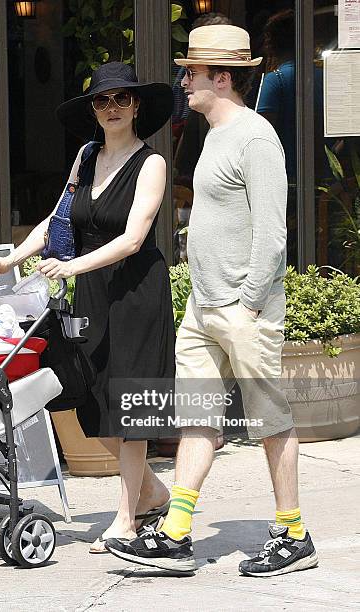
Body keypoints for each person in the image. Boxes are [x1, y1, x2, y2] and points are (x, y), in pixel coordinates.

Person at [105, 25, 318, 577]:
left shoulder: (256, 138)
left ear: (222, 78)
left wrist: (247, 304)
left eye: (192, 73)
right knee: (197, 418)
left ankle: (293, 532)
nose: (184, 81)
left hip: (243, 310)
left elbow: (273, 233)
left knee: (271, 421)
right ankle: (176, 532)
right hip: (203, 308)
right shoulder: (212, 136)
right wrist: (205, 298)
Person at [0, 61, 176, 553]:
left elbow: (134, 239)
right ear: (93, 110)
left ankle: (127, 518)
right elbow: (57, 220)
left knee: (128, 405)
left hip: (135, 292)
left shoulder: (150, 163)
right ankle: (151, 490)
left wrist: (72, 268)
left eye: (121, 99)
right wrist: (11, 260)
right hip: (89, 288)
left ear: (136, 107)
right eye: (102, 100)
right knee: (85, 393)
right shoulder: (86, 157)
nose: (112, 108)